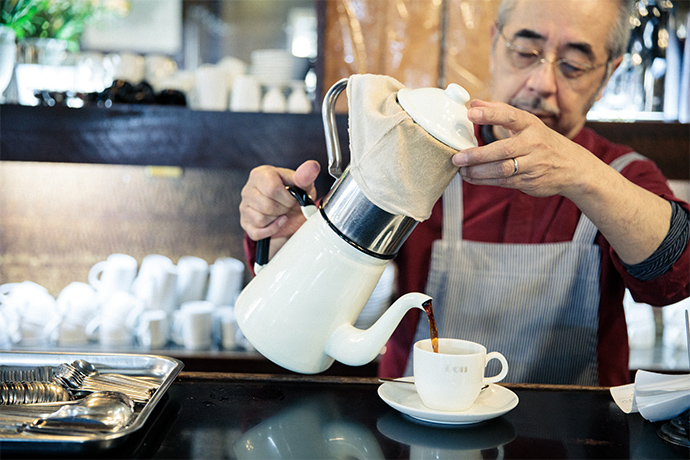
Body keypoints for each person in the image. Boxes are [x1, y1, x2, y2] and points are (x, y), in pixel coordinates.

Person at [239, 0, 690, 386]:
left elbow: (673, 280)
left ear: (608, 73)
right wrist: (300, 244)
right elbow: (345, 308)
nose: (542, 83)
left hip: (570, 440)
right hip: (416, 429)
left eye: (573, 64)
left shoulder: (620, 174)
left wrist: (582, 175)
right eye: (526, 50)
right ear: (495, 42)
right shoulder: (419, 151)